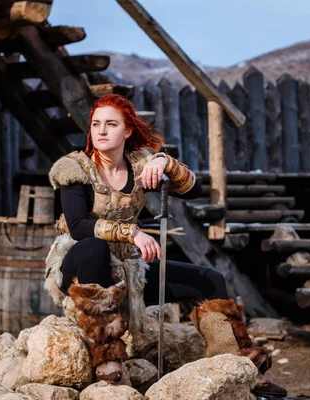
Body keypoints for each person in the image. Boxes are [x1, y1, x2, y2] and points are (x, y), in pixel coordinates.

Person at [43, 94, 286, 397]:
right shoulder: (75, 168)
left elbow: (194, 188)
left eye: (110, 124)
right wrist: (133, 233)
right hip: (81, 264)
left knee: (211, 280)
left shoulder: (138, 164)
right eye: (96, 124)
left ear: (127, 131)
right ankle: (105, 354)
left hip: (130, 267)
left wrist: (164, 161)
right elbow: (78, 226)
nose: (101, 130)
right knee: (95, 247)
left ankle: (235, 363)